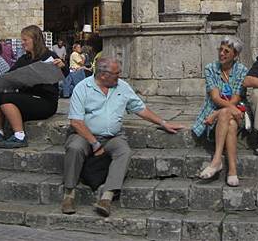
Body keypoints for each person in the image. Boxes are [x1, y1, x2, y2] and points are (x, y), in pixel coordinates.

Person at [61, 57, 184, 216]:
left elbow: (140, 109)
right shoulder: (82, 88)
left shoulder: (122, 87)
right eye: (116, 73)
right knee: (74, 147)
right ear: (103, 75)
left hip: (112, 136)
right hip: (84, 134)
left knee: (123, 151)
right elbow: (76, 122)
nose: (119, 76)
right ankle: (69, 194)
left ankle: (107, 197)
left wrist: (163, 122)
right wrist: (94, 143)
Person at [0, 25, 65, 149]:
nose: (22, 43)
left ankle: (19, 136)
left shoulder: (49, 56)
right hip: (28, 97)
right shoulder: (24, 59)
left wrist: (62, 66)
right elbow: (8, 75)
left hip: (45, 101)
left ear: (35, 40)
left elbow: (64, 74)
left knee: (6, 100)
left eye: (25, 40)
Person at [192, 36, 248, 187]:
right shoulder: (211, 68)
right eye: (220, 50)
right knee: (230, 122)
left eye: (226, 51)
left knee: (225, 115)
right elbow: (215, 98)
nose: (222, 54)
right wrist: (220, 111)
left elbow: (236, 98)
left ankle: (216, 161)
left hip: (233, 111)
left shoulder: (242, 70)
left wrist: (217, 114)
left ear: (235, 55)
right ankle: (232, 171)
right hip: (221, 112)